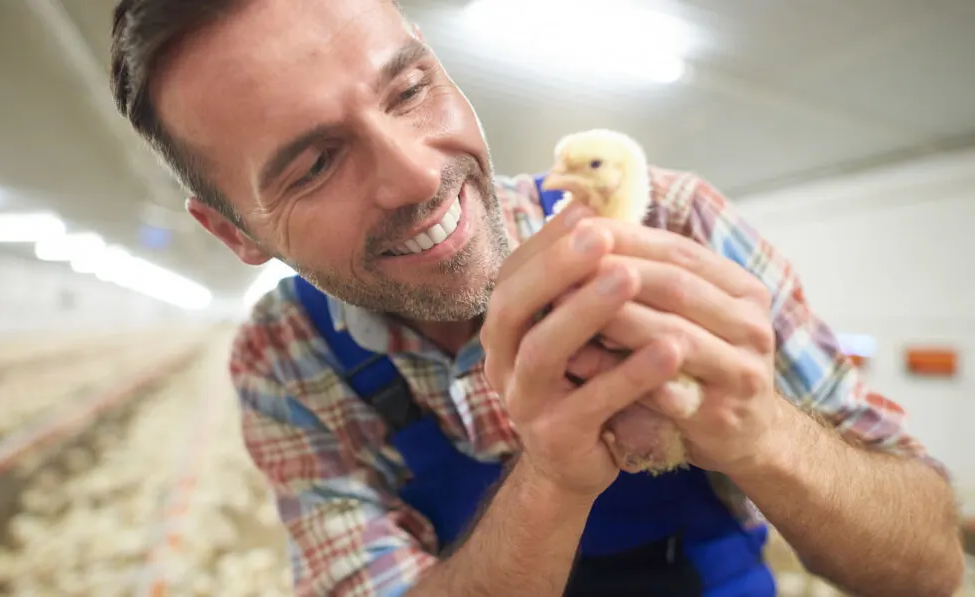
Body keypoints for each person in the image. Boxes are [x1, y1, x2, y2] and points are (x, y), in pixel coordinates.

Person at [109, 1, 966, 595]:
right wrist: (553, 475)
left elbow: (931, 567)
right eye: (315, 164)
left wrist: (762, 430)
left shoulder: (679, 224)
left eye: (410, 90)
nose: (418, 173)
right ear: (236, 235)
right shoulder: (285, 356)